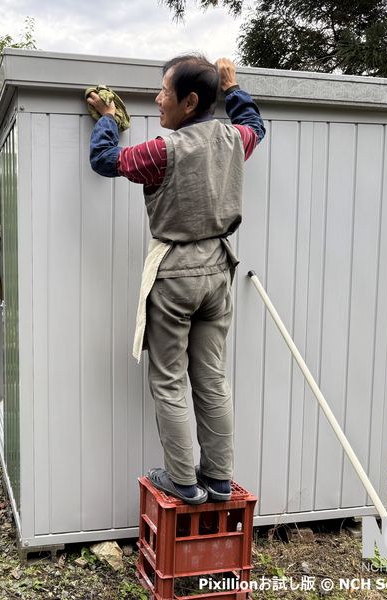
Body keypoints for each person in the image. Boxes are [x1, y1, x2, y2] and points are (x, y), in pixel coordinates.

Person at [87, 56, 265, 503]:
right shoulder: (234, 139)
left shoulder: (161, 152)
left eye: (164, 92)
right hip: (218, 270)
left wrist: (108, 118)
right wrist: (233, 87)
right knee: (211, 378)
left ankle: (184, 481)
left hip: (176, 273)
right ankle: (218, 480)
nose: (157, 99)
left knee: (169, 380)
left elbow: (105, 160)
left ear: (189, 102)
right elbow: (255, 126)